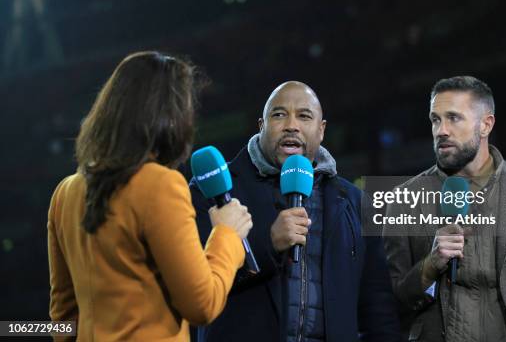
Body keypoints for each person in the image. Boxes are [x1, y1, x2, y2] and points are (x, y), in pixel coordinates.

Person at [48, 52, 253, 341]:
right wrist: (227, 235)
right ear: (171, 118)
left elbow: (63, 319)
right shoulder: (161, 185)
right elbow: (202, 305)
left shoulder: (65, 192)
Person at [190, 81, 401, 342]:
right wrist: (268, 243)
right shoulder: (216, 190)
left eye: (304, 116)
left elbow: (377, 306)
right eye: (279, 115)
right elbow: (193, 284)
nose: (291, 125)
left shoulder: (355, 202)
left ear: (321, 130)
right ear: (261, 126)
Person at [383, 76, 506, 341]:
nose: (441, 130)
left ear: (485, 125)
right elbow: (389, 303)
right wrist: (430, 266)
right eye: (435, 119)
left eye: (453, 118)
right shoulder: (403, 199)